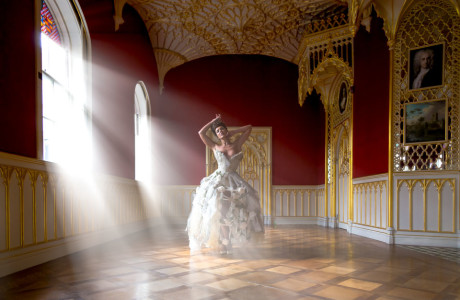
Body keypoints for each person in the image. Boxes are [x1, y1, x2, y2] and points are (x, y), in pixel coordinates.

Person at [187, 115, 264, 254]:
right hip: (218, 180)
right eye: (217, 131)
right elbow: (201, 133)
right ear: (216, 135)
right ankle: (224, 242)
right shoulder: (215, 146)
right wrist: (212, 122)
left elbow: (249, 128)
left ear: (226, 130)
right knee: (220, 210)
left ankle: (229, 240)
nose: (220, 132)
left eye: (222, 129)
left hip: (234, 180)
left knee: (234, 209)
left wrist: (233, 132)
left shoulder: (237, 144)